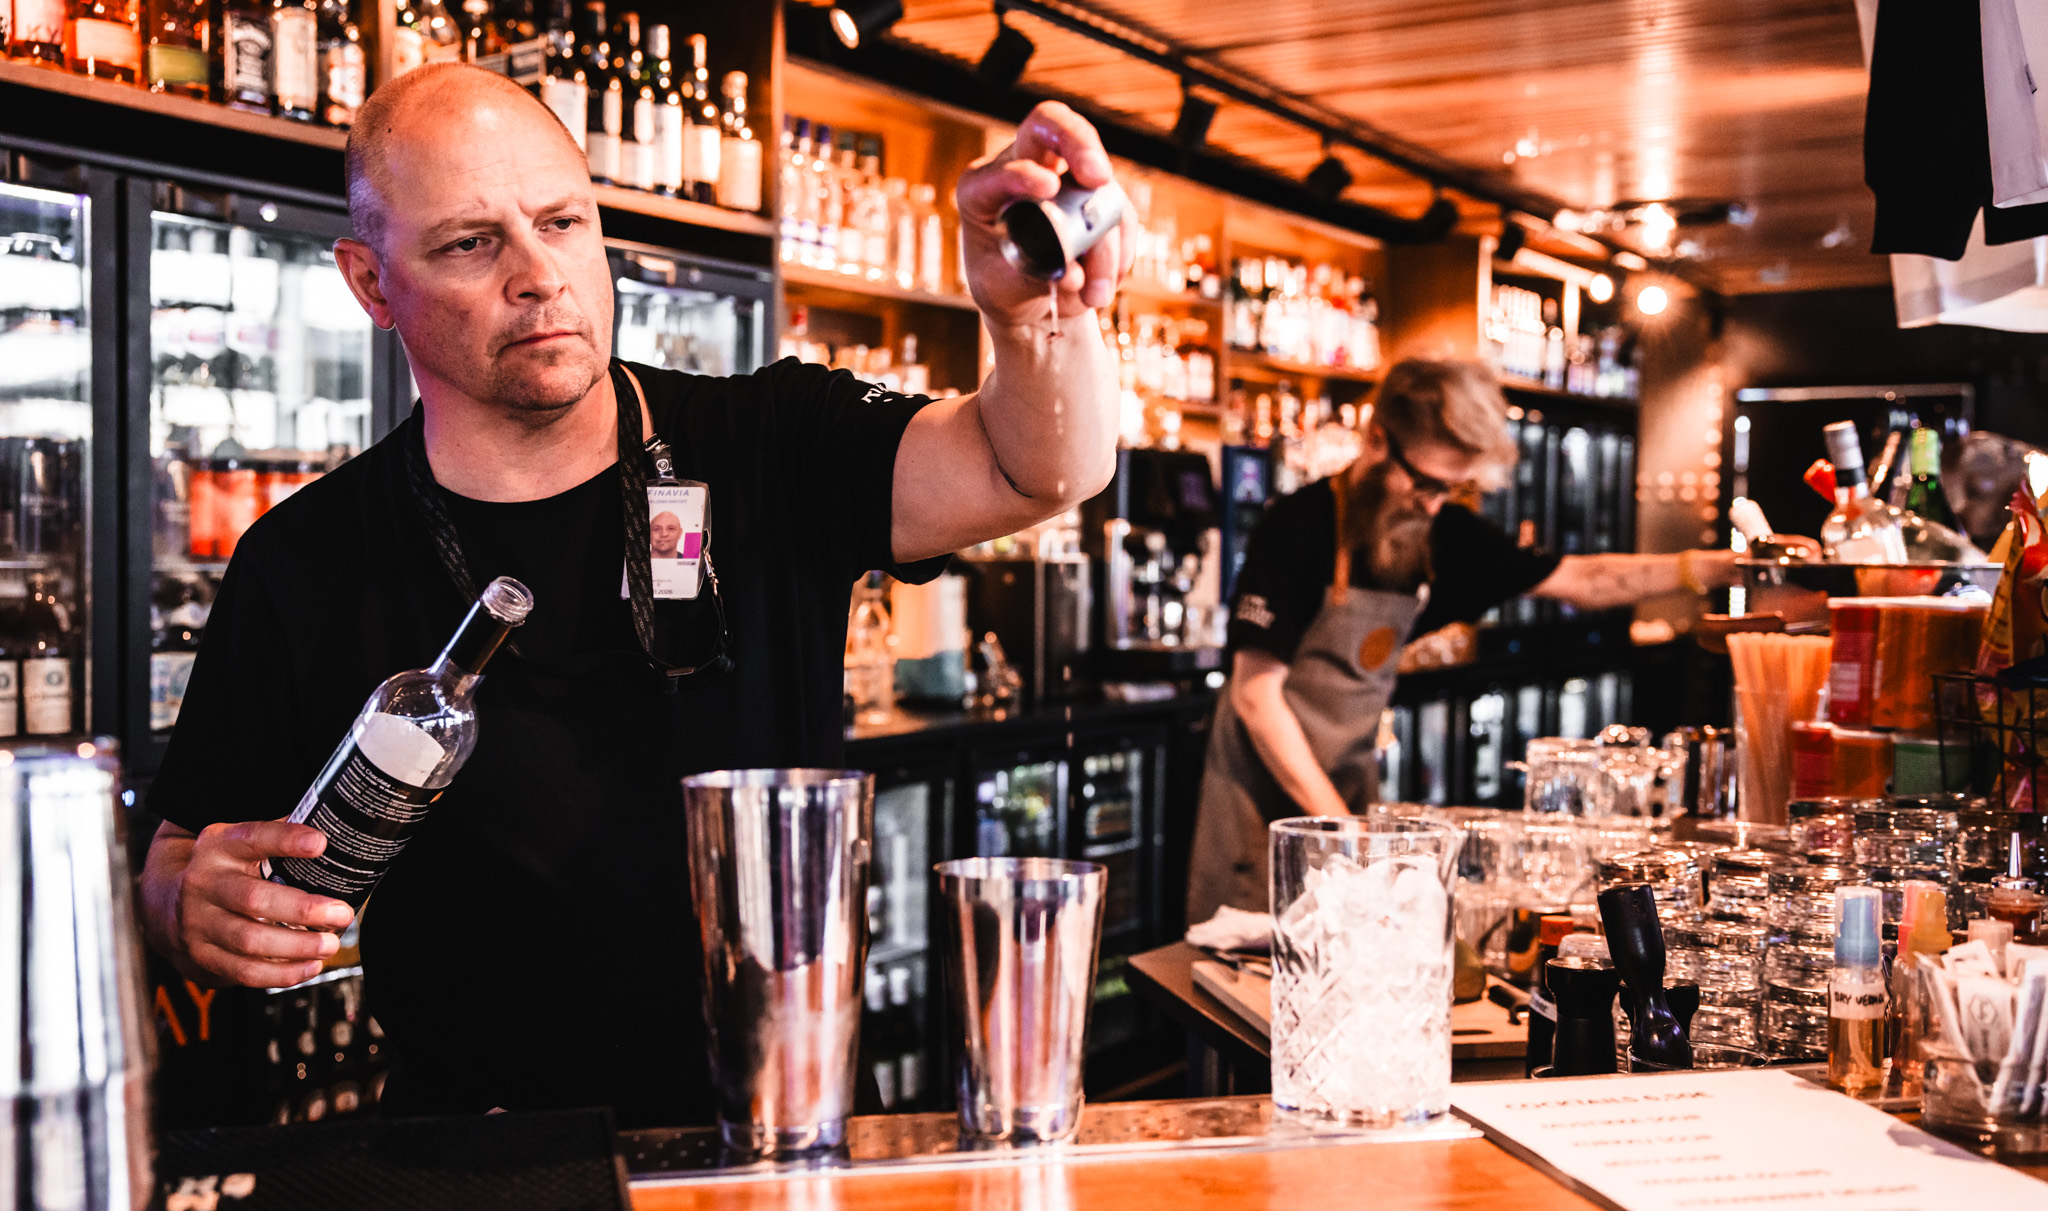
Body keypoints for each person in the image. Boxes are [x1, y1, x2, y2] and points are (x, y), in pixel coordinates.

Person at [139, 63, 1131, 1126]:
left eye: (562, 221)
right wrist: (189, 907)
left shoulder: (767, 441)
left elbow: (1033, 469)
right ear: (371, 283)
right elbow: (176, 856)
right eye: (470, 243)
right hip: (474, 1164)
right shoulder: (305, 555)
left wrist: (1032, 319)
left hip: (786, 1120)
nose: (538, 275)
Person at [1186, 356, 1742, 924]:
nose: (1432, 503)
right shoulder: (1298, 526)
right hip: (1256, 797)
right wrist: (1343, 828)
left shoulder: (1442, 532)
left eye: (1449, 489)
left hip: (1346, 784)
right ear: (1377, 440)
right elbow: (1256, 694)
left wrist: (1714, 568)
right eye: (1424, 481)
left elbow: (1585, 578)